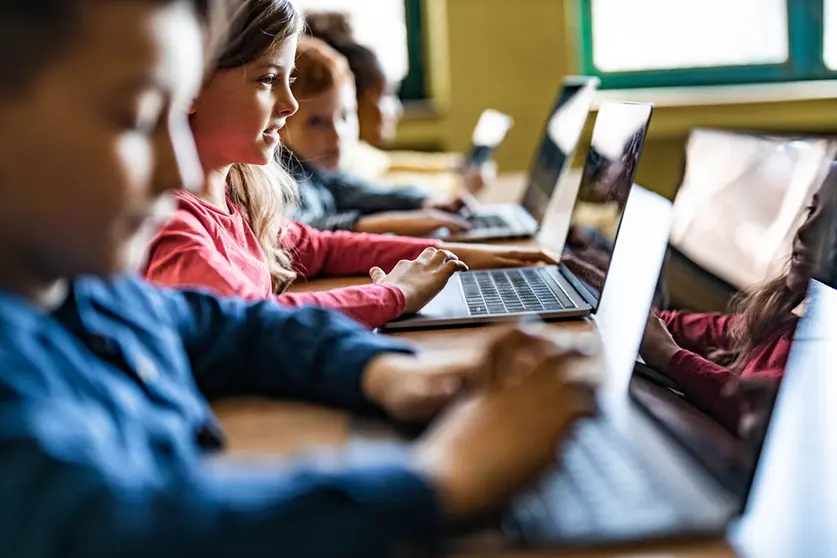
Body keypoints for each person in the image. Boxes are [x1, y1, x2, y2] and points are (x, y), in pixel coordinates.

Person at [0, 1, 599, 555]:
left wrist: (386, 372)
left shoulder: (82, 290)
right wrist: (439, 480)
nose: (179, 166)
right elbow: (132, 531)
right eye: (136, 119)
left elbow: (234, 329)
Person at [145, 20, 557, 329]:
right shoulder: (173, 227)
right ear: (191, 87)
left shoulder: (238, 199)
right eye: (269, 80)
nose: (290, 105)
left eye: (288, 80)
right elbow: (257, 324)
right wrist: (394, 293)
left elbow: (322, 248)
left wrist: (458, 256)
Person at [639, 182, 830, 432]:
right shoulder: (779, 325)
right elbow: (683, 327)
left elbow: (760, 409)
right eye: (811, 210)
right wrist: (609, 290)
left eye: (831, 223)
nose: (805, 230)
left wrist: (668, 355)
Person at [279, 35, 472, 235]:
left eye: (345, 115)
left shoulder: (318, 171)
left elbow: (359, 192)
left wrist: (424, 201)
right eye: (317, 122)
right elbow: (299, 234)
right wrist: (389, 224)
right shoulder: (281, 179)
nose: (338, 134)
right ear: (279, 124)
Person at [304, 11, 492, 200]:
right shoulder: (333, 161)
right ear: (355, 98)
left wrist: (454, 165)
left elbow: (387, 164)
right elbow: (386, 190)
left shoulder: (356, 153)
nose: (397, 109)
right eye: (385, 96)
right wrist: (458, 185)